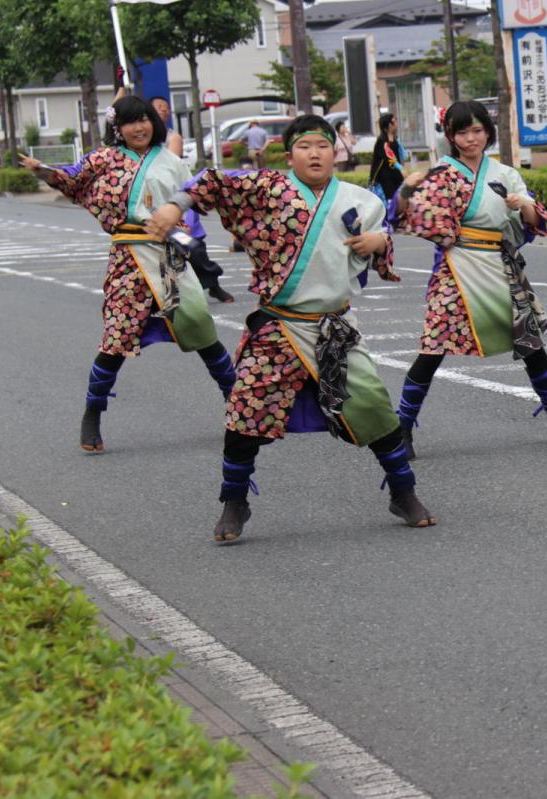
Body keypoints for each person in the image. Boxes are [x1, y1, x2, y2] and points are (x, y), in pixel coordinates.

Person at [146, 114, 436, 543]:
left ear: (335, 152)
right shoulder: (265, 190)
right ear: (290, 154)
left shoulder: (363, 200)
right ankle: (235, 500)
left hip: (334, 327)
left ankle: (403, 491)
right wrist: (175, 206)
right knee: (243, 418)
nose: (314, 153)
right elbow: (211, 181)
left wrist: (381, 243)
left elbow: (381, 238)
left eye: (322, 145)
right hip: (278, 325)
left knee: (375, 410)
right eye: (304, 146)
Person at [18, 96, 236, 453]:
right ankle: (93, 412)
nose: (139, 127)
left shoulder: (172, 162)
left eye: (144, 120)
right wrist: (43, 170)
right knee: (117, 339)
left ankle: (238, 406)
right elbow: (71, 178)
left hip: (169, 257)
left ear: (154, 122)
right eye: (130, 122)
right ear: (117, 128)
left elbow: (196, 199)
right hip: (128, 256)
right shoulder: (103, 158)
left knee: (200, 326)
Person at [393, 100, 547, 460]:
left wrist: (524, 205)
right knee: (432, 348)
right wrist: (407, 191)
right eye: (462, 132)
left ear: (488, 132)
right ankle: (403, 428)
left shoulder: (504, 173)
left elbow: (536, 219)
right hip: (456, 267)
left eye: (477, 130)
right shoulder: (441, 174)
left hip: (501, 265)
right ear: (451, 136)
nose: (471, 139)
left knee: (531, 344)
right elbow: (407, 215)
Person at [368, 112, 407, 203]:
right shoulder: (381, 140)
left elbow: (399, 153)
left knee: (400, 197)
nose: (396, 123)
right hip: (385, 176)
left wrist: (402, 164)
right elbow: (389, 156)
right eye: (394, 121)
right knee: (391, 200)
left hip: (396, 173)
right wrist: (401, 168)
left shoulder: (394, 138)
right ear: (389, 124)